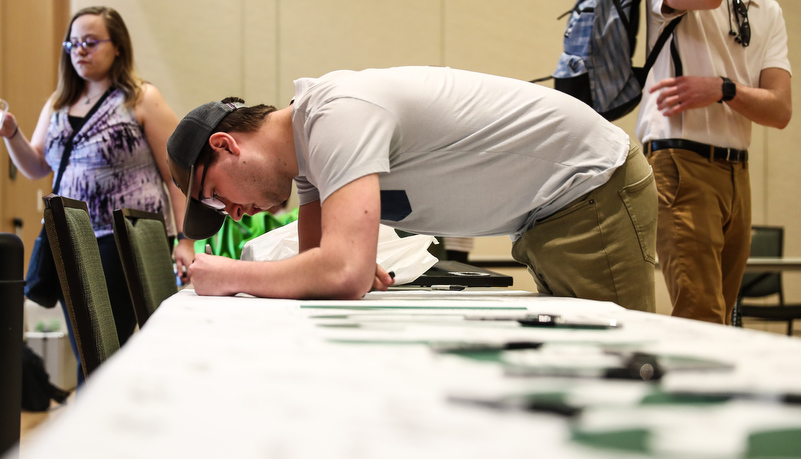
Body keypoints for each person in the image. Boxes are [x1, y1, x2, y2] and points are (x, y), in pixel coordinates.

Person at [168, 66, 658, 311]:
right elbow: (322, 265)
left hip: (588, 188)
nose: (232, 214)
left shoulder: (336, 116)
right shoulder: (308, 159)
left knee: (619, 372)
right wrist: (344, 262)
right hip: (547, 217)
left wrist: (230, 274)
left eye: (214, 194)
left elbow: (339, 274)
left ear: (226, 145)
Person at [0, 6, 194, 383]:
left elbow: (178, 175)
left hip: (125, 239)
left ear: (118, 46)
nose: (80, 50)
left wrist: (186, 239)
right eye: (73, 43)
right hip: (72, 239)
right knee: (90, 352)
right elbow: (37, 166)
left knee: (106, 352)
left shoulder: (140, 98)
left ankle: (104, 418)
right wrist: (11, 133)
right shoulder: (58, 104)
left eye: (90, 42)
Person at [635, 0, 792, 324]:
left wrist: (724, 89)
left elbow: (780, 110)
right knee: (701, 313)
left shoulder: (768, 9)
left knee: (721, 317)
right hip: (680, 157)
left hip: (738, 168)